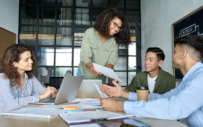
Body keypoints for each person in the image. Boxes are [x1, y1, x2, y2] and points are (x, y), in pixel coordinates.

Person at [100, 35, 203, 127]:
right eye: (146, 59)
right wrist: (124, 94)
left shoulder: (200, 78)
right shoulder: (189, 80)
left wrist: (120, 105)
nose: (172, 56)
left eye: (175, 52)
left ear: (183, 54)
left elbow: (173, 108)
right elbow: (162, 97)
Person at [77, 8, 131, 83]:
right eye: (115, 24)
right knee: (81, 95)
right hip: (83, 76)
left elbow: (112, 60)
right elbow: (85, 56)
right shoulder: (89, 33)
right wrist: (91, 67)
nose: (116, 29)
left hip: (100, 79)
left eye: (119, 27)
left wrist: (107, 68)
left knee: (100, 95)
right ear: (107, 20)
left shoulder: (114, 41)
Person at [0, 44, 57, 113]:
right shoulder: (3, 79)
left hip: (23, 117)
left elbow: (44, 92)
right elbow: (11, 105)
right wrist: (40, 96)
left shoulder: (30, 77)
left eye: (30, 58)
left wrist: (54, 94)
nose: (31, 61)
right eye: (26, 60)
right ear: (14, 63)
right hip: (5, 120)